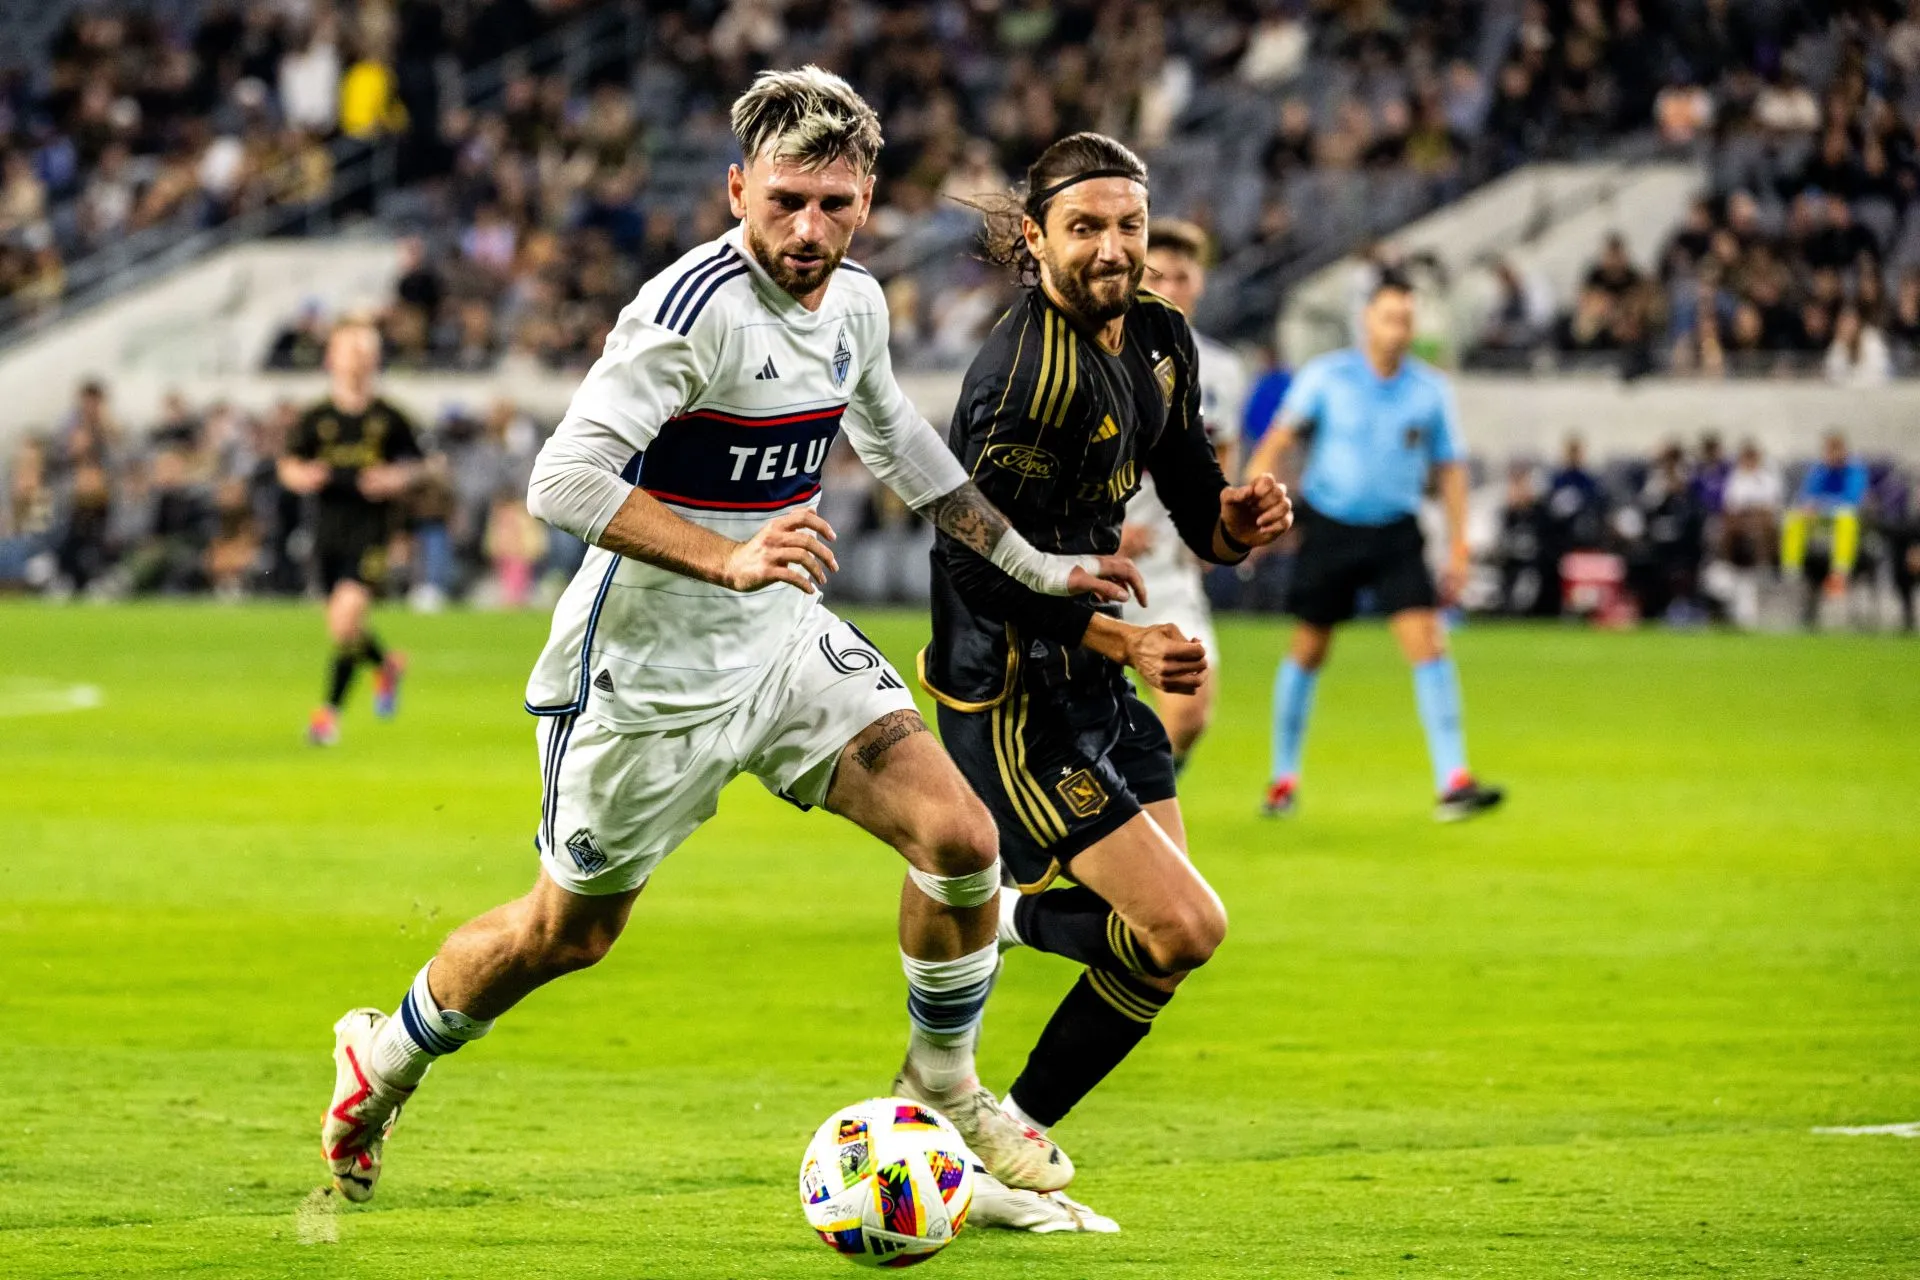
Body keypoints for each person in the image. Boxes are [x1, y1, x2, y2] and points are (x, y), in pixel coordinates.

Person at [319, 67, 1143, 1210]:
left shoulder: (854, 302)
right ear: (735, 189)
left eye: (836, 205)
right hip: (643, 673)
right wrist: (728, 553)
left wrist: (1039, 569)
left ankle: (944, 1083)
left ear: (867, 199)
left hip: (780, 642)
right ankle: (387, 1054)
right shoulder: (687, 310)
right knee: (567, 930)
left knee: (961, 839)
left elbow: (897, 435)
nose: (809, 232)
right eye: (784, 203)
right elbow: (561, 478)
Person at [921, 133, 1293, 1231]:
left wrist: (1233, 525)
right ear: (1034, 239)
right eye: (1086, 227)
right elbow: (966, 560)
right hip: (1010, 698)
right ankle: (995, 1094)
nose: (1115, 247)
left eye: (1128, 224)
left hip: (1092, 667)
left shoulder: (1162, 339)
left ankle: (997, 1126)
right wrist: (1116, 638)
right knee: (1185, 924)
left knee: (1162, 936)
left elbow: (1191, 497)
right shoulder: (1021, 380)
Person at [1245, 273, 1504, 821]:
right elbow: (1277, 442)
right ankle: (1282, 779)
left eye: (1407, 320)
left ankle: (1453, 780)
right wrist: (1248, 507)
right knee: (1309, 649)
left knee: (1429, 644)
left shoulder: (1430, 389)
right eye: (1390, 318)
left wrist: (1459, 548)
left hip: (1395, 531)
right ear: (1367, 320)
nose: (1398, 330)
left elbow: (1452, 472)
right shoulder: (1327, 377)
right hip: (1332, 527)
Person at [1116, 218, 1249, 771]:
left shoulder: (1223, 370)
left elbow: (1224, 456)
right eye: (1160, 276)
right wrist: (1103, 528)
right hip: (1096, 559)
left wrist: (1218, 527)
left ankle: (1121, 824)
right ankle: (1102, 831)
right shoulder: (1109, 354)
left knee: (1190, 713)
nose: (1172, 288)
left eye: (1184, 276)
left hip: (1169, 568)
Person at [276, 321, 420, 745]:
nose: (356, 360)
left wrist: (394, 479)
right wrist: (303, 476)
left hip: (372, 530)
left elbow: (419, 466)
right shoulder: (317, 417)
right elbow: (288, 464)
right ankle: (386, 665)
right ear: (332, 359)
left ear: (375, 360)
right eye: (348, 351)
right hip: (327, 531)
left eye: (364, 352)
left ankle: (327, 718)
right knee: (343, 629)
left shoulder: (389, 418)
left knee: (344, 622)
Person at [1782, 430, 1870, 623]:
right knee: (1793, 518)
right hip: (1819, 521)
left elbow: (1852, 499)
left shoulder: (1855, 470)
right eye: (1828, 451)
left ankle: (1840, 569)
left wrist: (1823, 504)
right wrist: (1810, 507)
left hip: (1841, 516)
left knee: (1845, 517)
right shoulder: (1820, 470)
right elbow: (1807, 495)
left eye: (1834, 450)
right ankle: (1791, 569)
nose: (1831, 455)